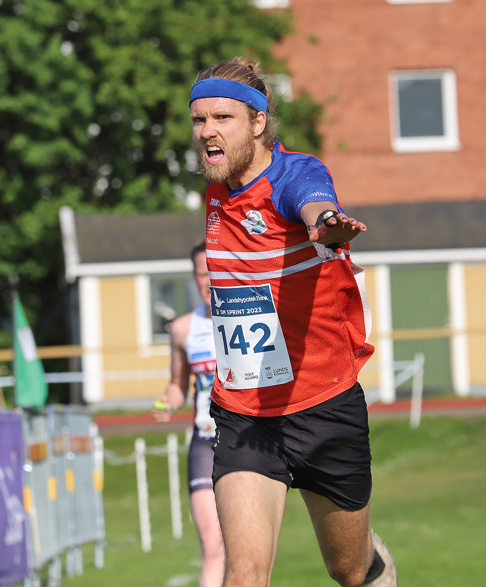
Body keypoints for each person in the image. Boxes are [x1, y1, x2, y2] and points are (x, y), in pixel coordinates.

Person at [189, 57, 396, 587]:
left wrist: (327, 225)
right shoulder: (216, 188)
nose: (207, 132)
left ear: (258, 123)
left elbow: (311, 202)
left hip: (324, 405)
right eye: (198, 120)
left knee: (349, 569)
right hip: (245, 411)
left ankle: (377, 567)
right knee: (244, 574)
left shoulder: (295, 173)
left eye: (221, 118)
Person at [153, 241, 225, 587]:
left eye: (214, 269)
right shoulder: (183, 329)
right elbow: (177, 385)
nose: (209, 279)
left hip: (249, 441)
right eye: (201, 272)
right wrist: (167, 402)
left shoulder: (254, 317)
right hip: (205, 445)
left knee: (245, 551)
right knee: (213, 546)